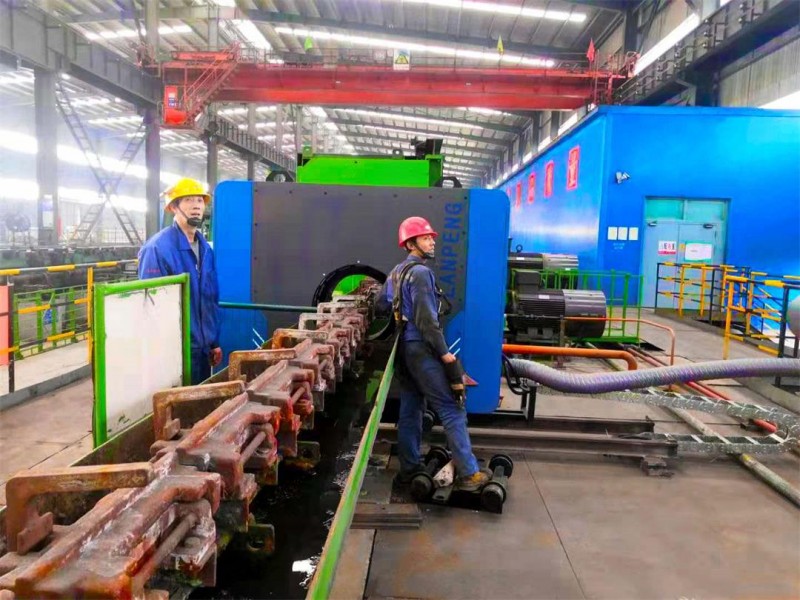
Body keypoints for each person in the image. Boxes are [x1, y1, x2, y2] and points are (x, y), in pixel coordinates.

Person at [378, 216, 489, 492]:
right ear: (411, 244)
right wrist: (445, 354)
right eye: (426, 238)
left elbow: (381, 304)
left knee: (412, 407)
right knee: (452, 408)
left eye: (431, 237)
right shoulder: (420, 273)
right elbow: (427, 321)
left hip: (403, 349)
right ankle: (469, 474)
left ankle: (409, 468)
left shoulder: (396, 272)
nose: (432, 241)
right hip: (422, 347)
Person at [138, 178, 221, 385]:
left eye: (200, 200)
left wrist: (213, 342)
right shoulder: (157, 249)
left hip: (202, 350)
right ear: (174, 207)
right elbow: (151, 307)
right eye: (188, 200)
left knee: (201, 399)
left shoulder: (206, 249)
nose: (196, 206)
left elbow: (210, 299)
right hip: (174, 351)